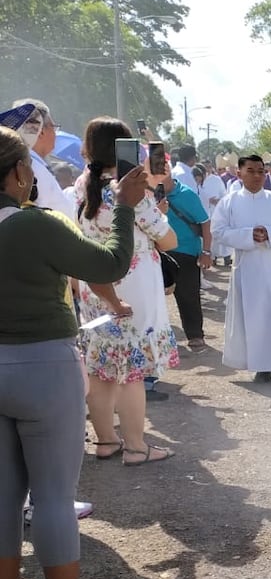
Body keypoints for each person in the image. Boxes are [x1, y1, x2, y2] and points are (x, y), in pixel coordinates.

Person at [0, 119, 145, 579]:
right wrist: (125, 206)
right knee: (54, 496)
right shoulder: (32, 223)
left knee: (3, 492)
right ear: (19, 173)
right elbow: (109, 264)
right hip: (42, 364)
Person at [74, 117, 179, 466]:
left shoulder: (82, 185)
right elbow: (168, 239)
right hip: (130, 292)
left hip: (95, 289)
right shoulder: (130, 192)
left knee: (100, 368)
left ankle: (106, 440)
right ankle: (136, 446)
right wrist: (154, 199)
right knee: (131, 373)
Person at [211, 154, 271, 382]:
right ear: (239, 173)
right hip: (246, 268)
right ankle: (262, 366)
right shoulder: (229, 203)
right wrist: (248, 235)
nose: (257, 176)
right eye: (251, 171)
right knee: (255, 318)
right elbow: (218, 232)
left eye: (261, 171)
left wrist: (269, 234)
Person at [161, 170, 214, 350]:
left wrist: (206, 251)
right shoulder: (148, 194)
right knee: (154, 296)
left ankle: (195, 335)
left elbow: (205, 222)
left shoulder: (186, 194)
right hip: (158, 251)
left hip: (185, 251)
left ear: (168, 172)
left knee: (188, 295)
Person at [11, 98, 74, 217]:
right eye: (54, 127)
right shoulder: (33, 169)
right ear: (40, 131)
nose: (56, 134)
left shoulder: (19, 163)